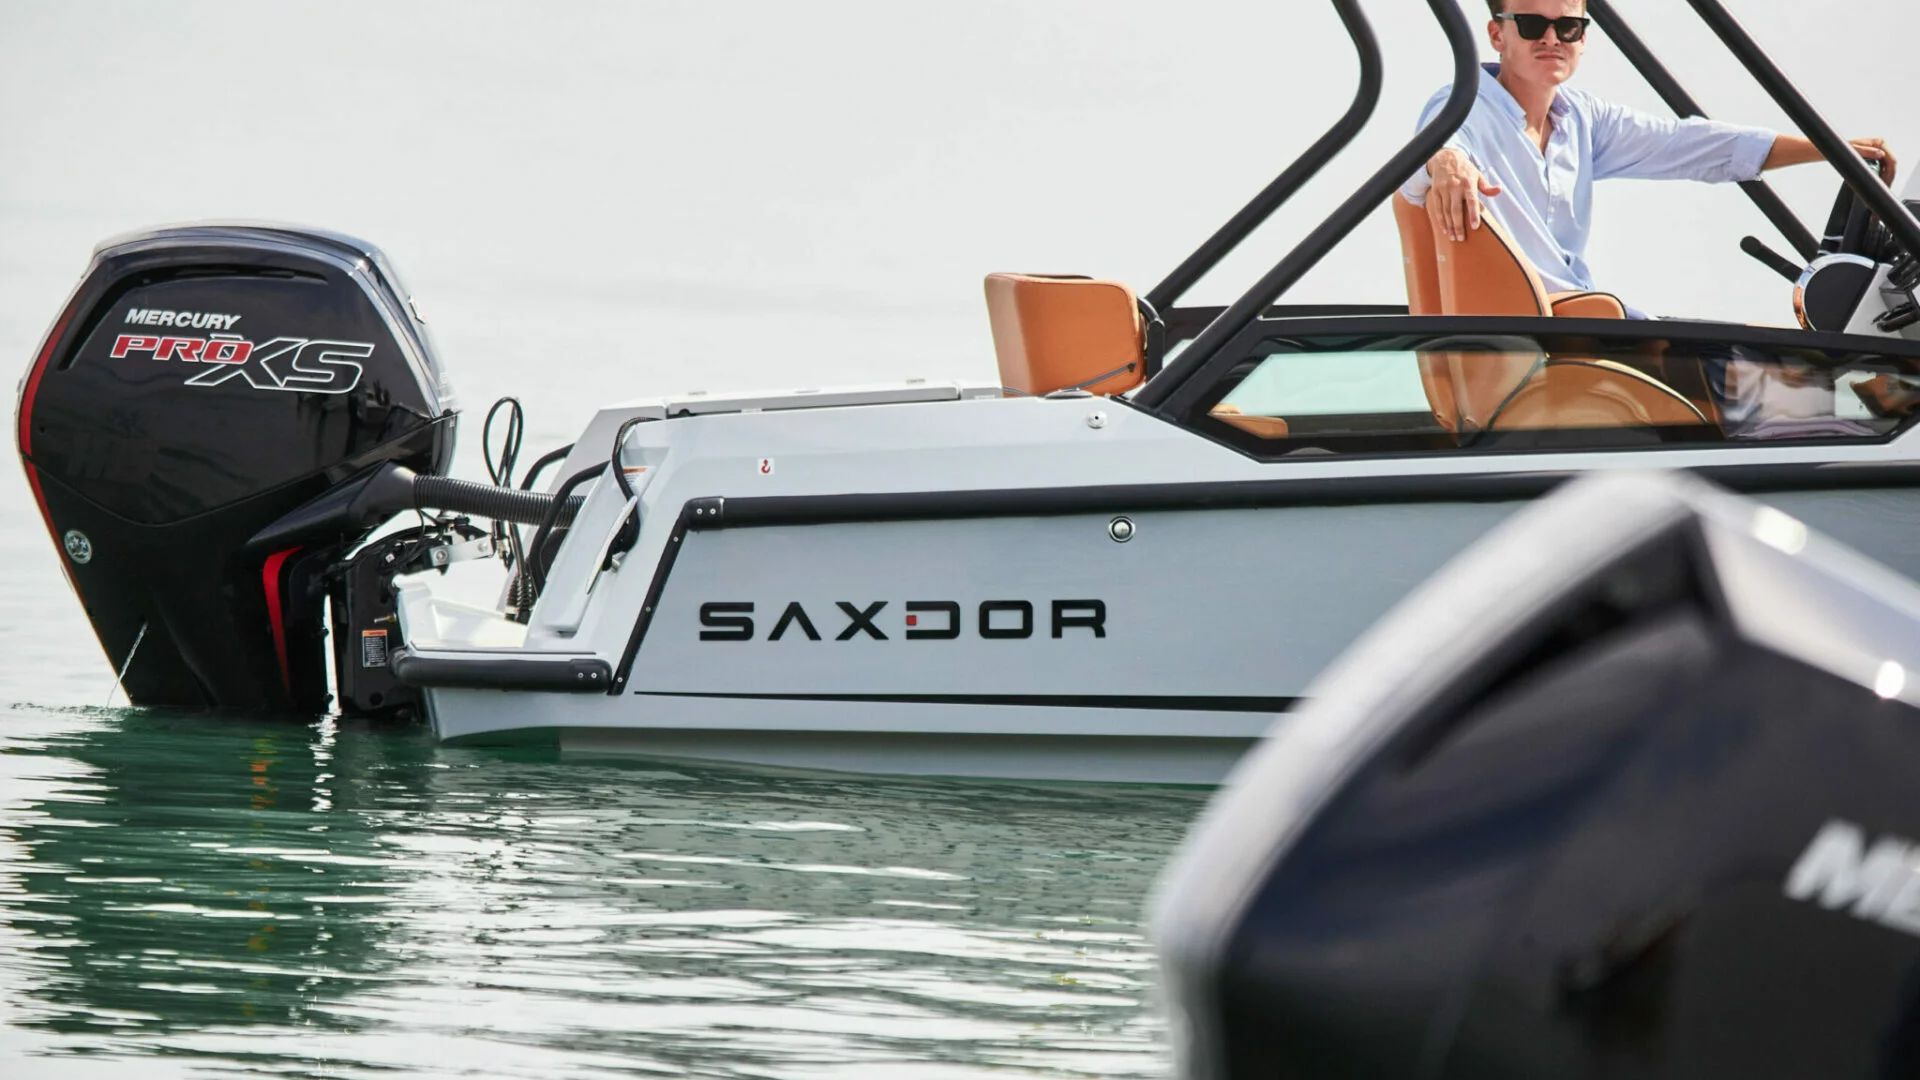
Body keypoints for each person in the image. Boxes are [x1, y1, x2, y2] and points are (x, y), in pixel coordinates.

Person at [1399, 0, 1897, 306]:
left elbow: (1691, 145)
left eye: (1567, 27)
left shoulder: (1584, 119)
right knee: (1757, 380)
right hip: (1535, 336)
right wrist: (1447, 162)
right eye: (1531, 24)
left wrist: (1830, 151)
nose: (1551, 38)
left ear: (1582, 39)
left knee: (1749, 368)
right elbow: (1434, 151)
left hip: (1583, 323)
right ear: (1497, 34)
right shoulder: (1463, 103)